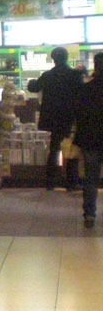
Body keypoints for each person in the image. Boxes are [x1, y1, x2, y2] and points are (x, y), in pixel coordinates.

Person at [27, 46, 84, 190]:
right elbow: (82, 94)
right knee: (70, 149)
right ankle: (71, 183)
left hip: (52, 117)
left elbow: (33, 87)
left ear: (53, 59)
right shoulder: (75, 75)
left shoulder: (47, 75)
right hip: (70, 116)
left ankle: (50, 182)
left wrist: (31, 82)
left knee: (54, 149)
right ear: (66, 58)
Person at [74, 52, 103, 228]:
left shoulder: (86, 89)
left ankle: (90, 215)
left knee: (90, 179)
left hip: (90, 139)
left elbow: (80, 115)